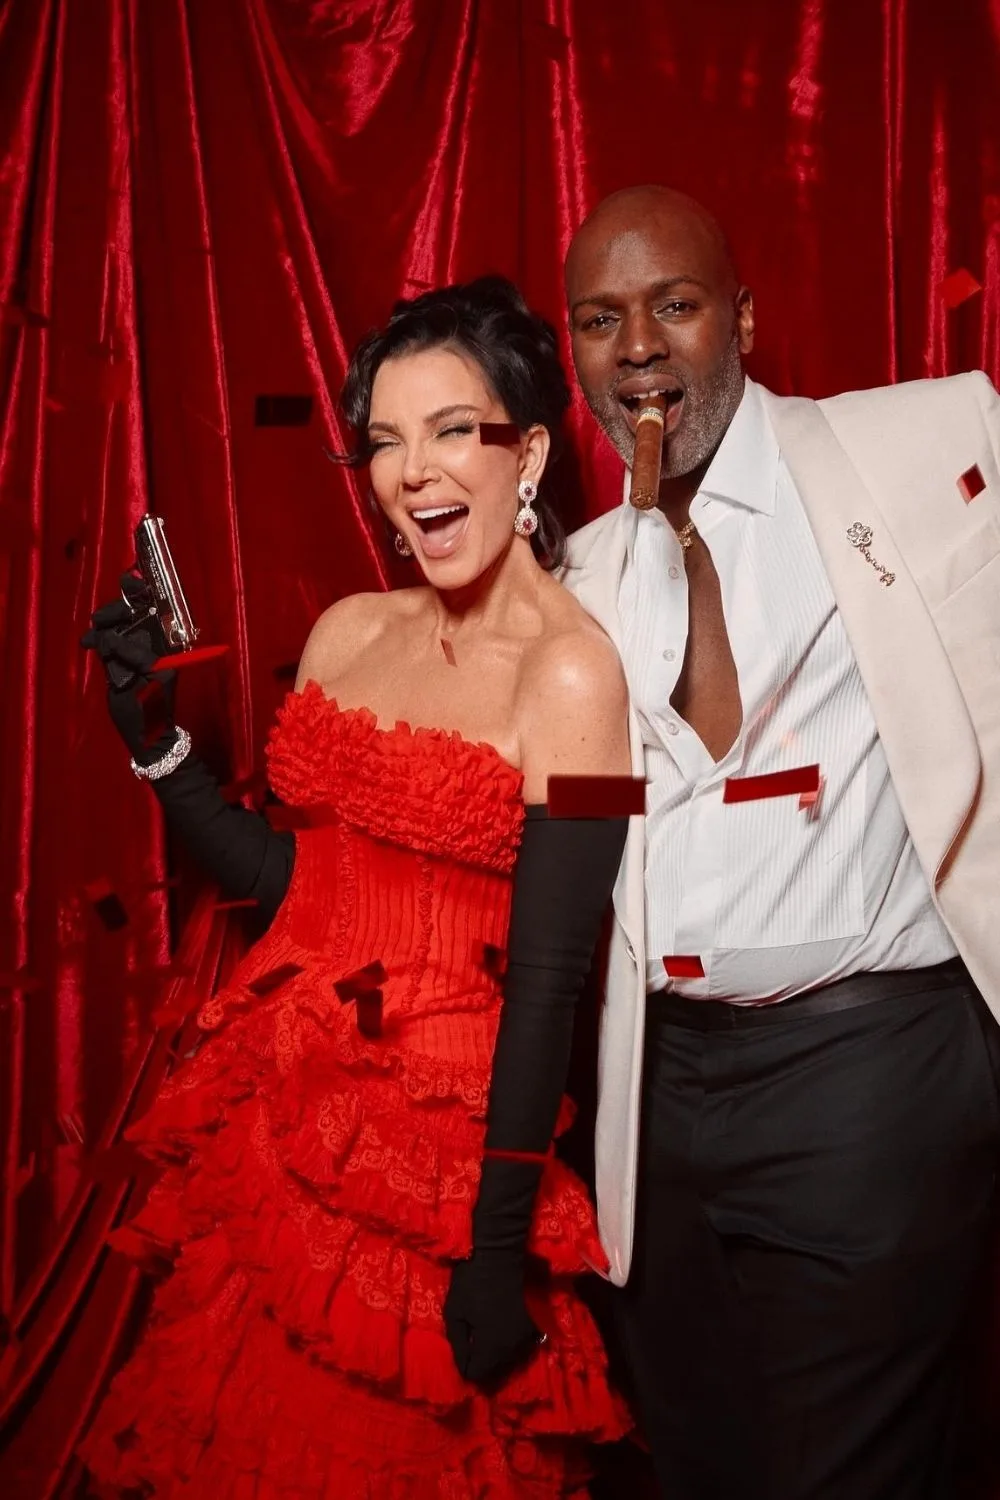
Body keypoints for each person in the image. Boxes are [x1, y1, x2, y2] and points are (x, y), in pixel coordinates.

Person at [78, 275, 633, 1497]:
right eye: (385, 440)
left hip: (433, 1187)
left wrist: (491, 1255)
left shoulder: (578, 678)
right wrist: (153, 738)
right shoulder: (346, 632)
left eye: (450, 430)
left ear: (527, 451)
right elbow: (298, 887)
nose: (412, 471)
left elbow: (550, 985)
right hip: (280, 1134)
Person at [559, 182, 1000, 1500]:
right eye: (599, 318)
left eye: (674, 304)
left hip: (870, 1070)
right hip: (657, 1095)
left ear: (741, 318)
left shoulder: (917, 445)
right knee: (695, 1460)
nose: (637, 344)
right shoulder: (578, 578)